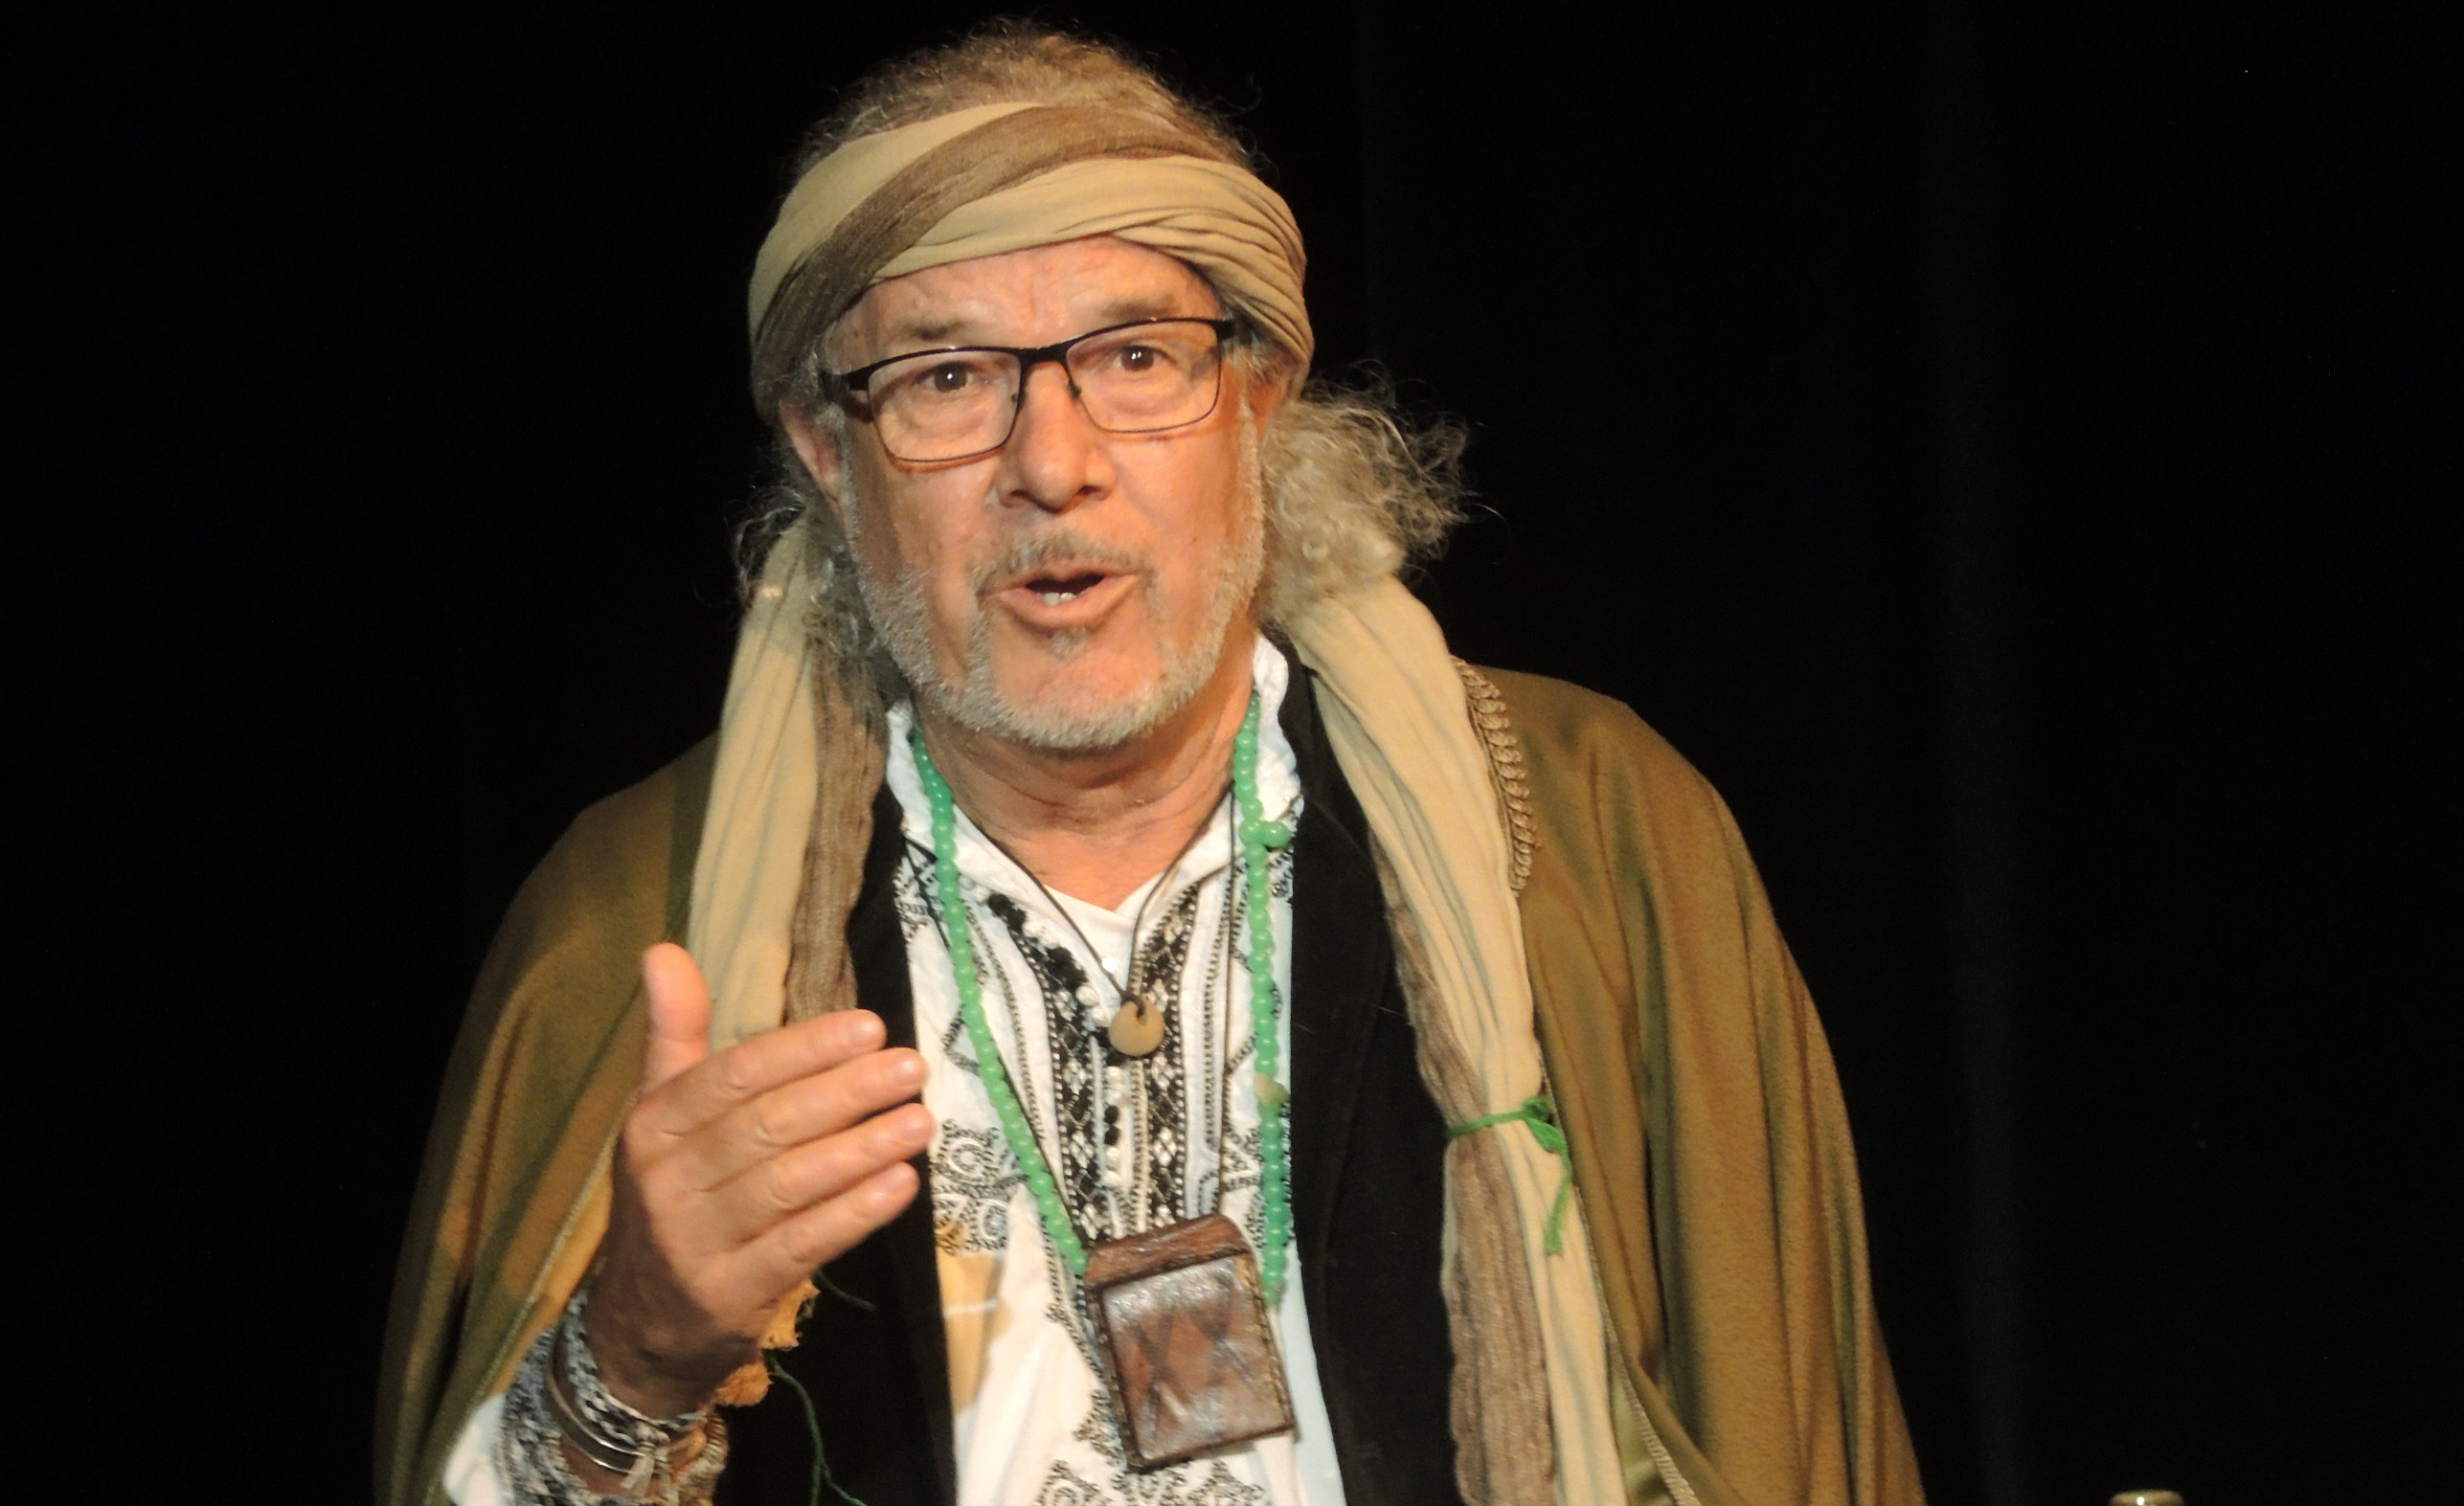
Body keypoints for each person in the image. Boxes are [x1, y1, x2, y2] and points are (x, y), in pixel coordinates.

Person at [378, 24, 1924, 1506]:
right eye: (946, 378)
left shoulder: (1585, 828)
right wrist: (630, 1356)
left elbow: (1788, 1417)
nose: (1052, 463)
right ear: (826, 448)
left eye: (1133, 357)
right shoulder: (634, 916)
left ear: (1255, 391)